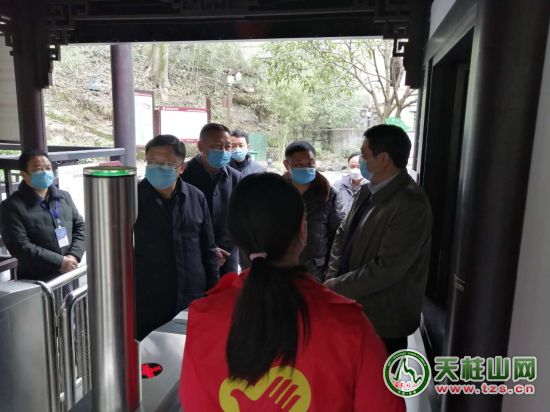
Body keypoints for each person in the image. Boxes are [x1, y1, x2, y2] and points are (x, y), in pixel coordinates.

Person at [179, 173, 405, 412]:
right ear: (303, 230)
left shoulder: (204, 317)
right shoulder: (349, 323)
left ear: (236, 237)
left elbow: (194, 403)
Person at [324, 125, 433, 355]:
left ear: (383, 159)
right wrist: (333, 276)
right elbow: (342, 234)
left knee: (381, 377)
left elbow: (387, 268)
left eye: (364, 154)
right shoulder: (368, 190)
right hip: (352, 306)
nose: (360, 160)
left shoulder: (410, 203)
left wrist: (335, 286)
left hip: (383, 321)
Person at [134, 135, 219, 340]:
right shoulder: (131, 199)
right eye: (152, 162)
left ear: (181, 167)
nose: (158, 168)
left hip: (192, 296)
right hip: (149, 300)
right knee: (151, 355)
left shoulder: (196, 197)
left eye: (166, 164)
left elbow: (208, 249)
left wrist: (213, 292)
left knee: (190, 351)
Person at [0, 149, 85, 282]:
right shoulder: (11, 206)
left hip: (69, 271)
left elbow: (81, 227)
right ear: (24, 174)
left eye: (48, 168)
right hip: (36, 279)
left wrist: (73, 255)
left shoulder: (64, 197)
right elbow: (19, 246)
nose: (45, 172)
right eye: (38, 169)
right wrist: (59, 261)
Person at [181, 123, 242, 275]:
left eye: (227, 147)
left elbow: (240, 218)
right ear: (200, 146)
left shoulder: (237, 178)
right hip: (193, 255)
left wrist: (224, 248)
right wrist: (208, 249)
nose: (223, 151)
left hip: (228, 256)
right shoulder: (183, 176)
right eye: (216, 146)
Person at [283, 141, 343, 281]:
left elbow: (337, 233)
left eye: (310, 163)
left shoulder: (327, 193)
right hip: (282, 265)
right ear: (287, 164)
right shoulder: (277, 191)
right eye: (299, 164)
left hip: (317, 268)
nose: (306, 168)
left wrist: (332, 269)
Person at [333, 151, 367, 216]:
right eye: (352, 166)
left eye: (359, 167)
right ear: (348, 166)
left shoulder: (372, 187)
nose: (355, 170)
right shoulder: (338, 186)